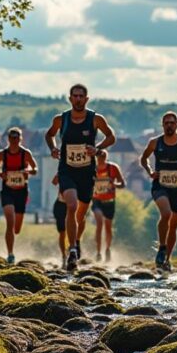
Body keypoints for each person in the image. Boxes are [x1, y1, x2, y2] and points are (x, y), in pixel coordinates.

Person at [44, 84, 116, 271]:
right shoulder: (61, 119)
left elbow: (111, 137)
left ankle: (75, 241)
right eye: (74, 96)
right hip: (67, 170)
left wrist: (97, 149)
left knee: (81, 215)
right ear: (70, 99)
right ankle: (73, 250)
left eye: (81, 96)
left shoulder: (95, 119)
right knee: (71, 205)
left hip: (86, 173)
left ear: (86, 99)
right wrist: (53, 148)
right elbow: (49, 135)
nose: (77, 99)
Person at [139, 111, 177, 271]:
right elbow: (143, 158)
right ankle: (162, 247)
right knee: (166, 214)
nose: (169, 125)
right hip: (160, 186)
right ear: (162, 125)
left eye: (172, 123)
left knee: (173, 226)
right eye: (166, 123)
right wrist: (150, 171)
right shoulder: (154, 142)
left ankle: (167, 260)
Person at [0, 127, 38, 264]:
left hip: (21, 192)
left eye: (16, 138)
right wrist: (1, 174)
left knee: (16, 229)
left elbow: (35, 169)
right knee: (10, 222)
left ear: (20, 139)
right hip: (7, 191)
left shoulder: (26, 154)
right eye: (12, 138)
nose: (14, 140)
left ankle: (12, 244)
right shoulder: (2, 154)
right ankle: (10, 254)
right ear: (8, 139)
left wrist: (27, 171)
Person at [90, 149, 126, 262]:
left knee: (108, 227)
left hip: (109, 201)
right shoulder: (92, 169)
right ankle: (98, 252)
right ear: (96, 158)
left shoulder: (113, 168)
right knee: (99, 223)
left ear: (106, 157)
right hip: (97, 200)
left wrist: (114, 184)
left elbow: (122, 184)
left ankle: (107, 249)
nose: (101, 159)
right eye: (99, 157)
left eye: (103, 157)